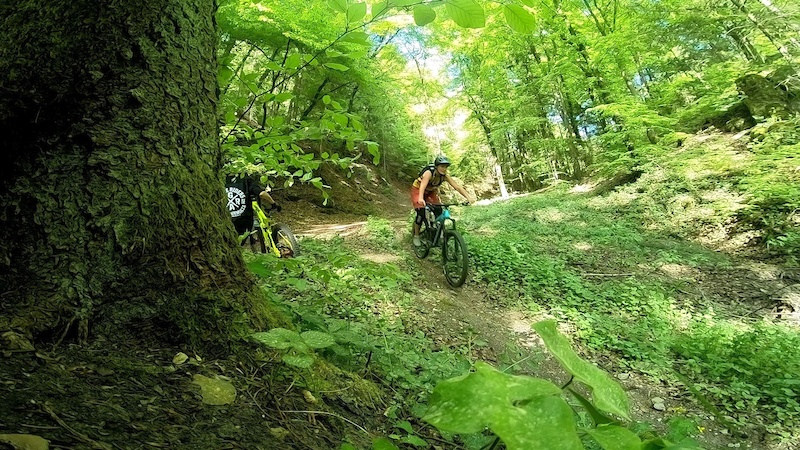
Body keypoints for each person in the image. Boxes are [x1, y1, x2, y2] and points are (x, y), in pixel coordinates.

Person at [411, 155, 474, 246]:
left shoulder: (445, 176)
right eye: (442, 166)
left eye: (445, 167)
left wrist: (468, 197)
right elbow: (422, 186)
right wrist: (420, 198)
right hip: (418, 189)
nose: (444, 169)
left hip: (431, 191)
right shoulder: (429, 173)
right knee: (421, 212)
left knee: (438, 210)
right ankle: (416, 236)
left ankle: (435, 232)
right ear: (437, 166)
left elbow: (457, 187)